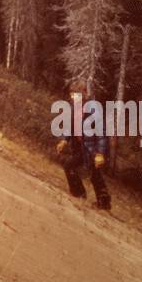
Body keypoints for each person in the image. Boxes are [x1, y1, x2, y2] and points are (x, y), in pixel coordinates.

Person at [55, 82, 111, 210]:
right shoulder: (73, 107)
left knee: (93, 173)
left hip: (93, 148)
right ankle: (79, 194)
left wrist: (100, 154)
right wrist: (64, 140)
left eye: (76, 95)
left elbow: (102, 134)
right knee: (71, 166)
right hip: (81, 147)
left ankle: (103, 203)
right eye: (72, 94)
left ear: (84, 94)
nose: (73, 97)